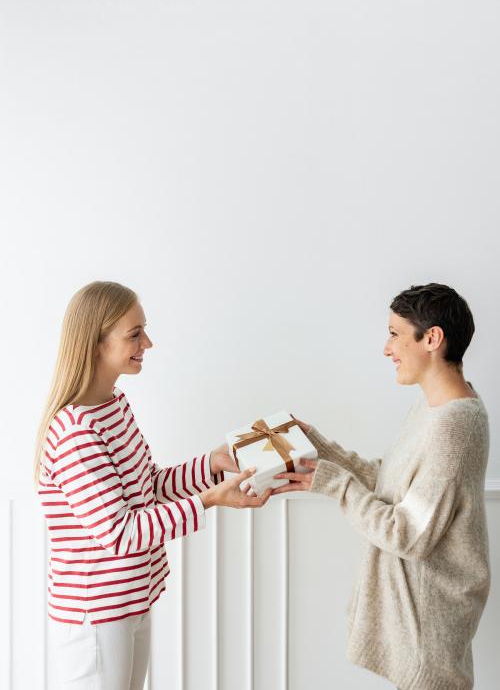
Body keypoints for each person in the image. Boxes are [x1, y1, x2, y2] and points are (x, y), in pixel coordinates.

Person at [35, 281, 271, 690]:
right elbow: (120, 532)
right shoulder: (76, 431)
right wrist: (209, 500)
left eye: (143, 329)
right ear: (95, 344)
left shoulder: (113, 407)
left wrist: (211, 465)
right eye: (134, 334)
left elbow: (148, 487)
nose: (148, 342)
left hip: (130, 601)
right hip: (96, 616)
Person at [272, 283, 490, 690]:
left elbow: (406, 533)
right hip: (416, 622)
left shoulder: (456, 425)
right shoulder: (435, 408)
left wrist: (333, 483)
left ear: (432, 338)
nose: (386, 349)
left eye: (394, 334)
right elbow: (392, 484)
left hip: (427, 628)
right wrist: (320, 447)